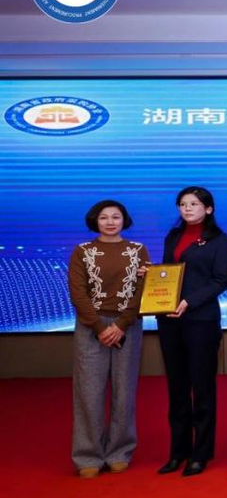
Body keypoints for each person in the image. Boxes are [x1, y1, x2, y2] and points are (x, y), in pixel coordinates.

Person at [154, 187, 227, 477]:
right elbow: (171, 273)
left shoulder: (221, 241)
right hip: (169, 320)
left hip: (200, 320)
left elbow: (221, 279)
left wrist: (189, 301)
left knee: (202, 388)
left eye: (194, 204)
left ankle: (200, 453)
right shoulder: (173, 236)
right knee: (176, 389)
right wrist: (153, 275)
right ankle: (178, 451)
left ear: (208, 209)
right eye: (183, 204)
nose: (187, 208)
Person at [67, 200, 149, 478]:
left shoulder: (137, 250)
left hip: (128, 326)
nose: (111, 222)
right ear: (95, 221)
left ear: (124, 220)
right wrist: (99, 327)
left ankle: (119, 451)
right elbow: (78, 292)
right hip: (91, 327)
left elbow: (142, 290)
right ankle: (87, 456)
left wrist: (122, 324)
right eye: (104, 217)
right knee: (89, 392)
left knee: (124, 391)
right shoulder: (82, 251)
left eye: (116, 217)